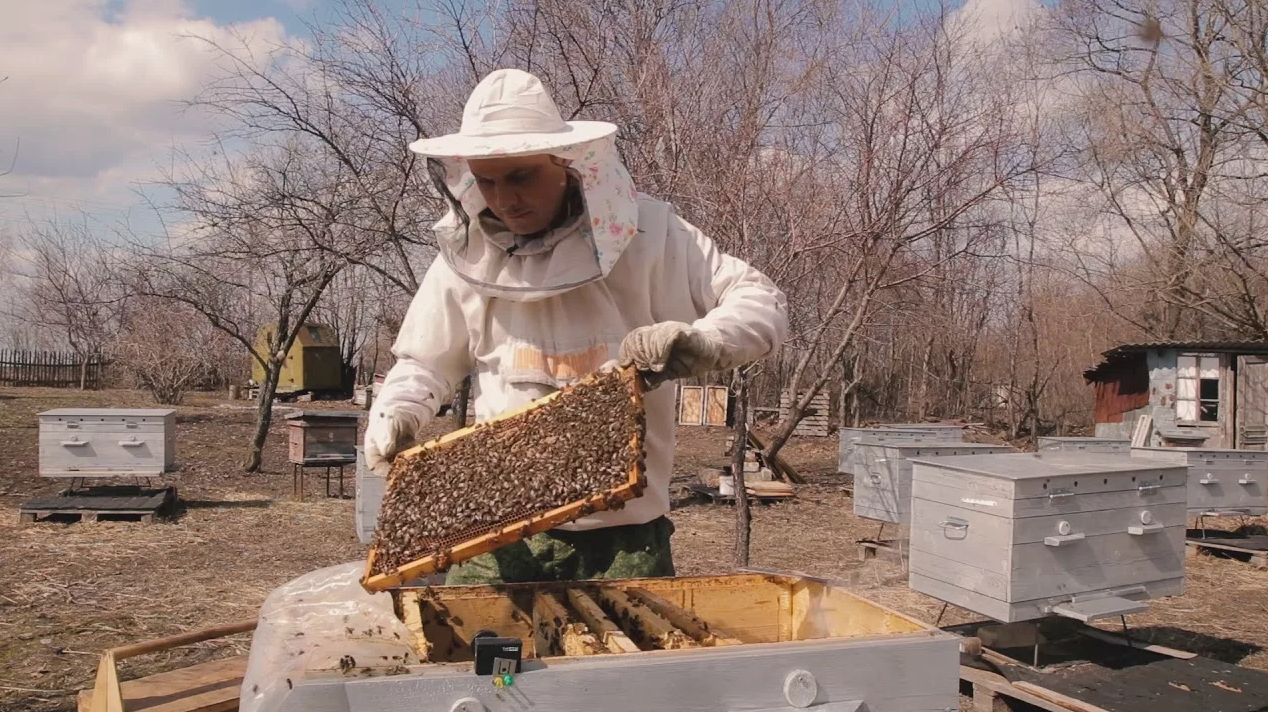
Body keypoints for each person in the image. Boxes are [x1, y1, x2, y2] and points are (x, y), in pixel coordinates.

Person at [364, 68, 787, 585]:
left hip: (626, 538)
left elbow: (759, 300)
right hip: (497, 534)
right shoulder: (465, 259)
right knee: (487, 666)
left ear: (567, 165)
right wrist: (399, 411)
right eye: (487, 180)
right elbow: (424, 362)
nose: (505, 199)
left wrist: (704, 341)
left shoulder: (652, 236)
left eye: (521, 176)